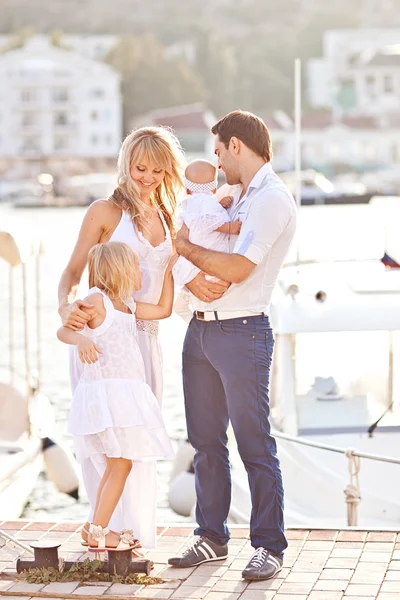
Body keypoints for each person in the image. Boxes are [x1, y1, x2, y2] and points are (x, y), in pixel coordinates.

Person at [168, 110, 297, 582]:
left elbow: (240, 268)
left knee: (254, 444)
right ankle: (212, 538)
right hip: (200, 332)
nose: (217, 162)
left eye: (219, 151)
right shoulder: (236, 195)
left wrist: (184, 249)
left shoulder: (272, 199)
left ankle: (268, 546)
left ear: (237, 145)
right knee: (204, 442)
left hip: (243, 331)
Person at [57, 126, 191, 550]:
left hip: (146, 339)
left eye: (157, 169)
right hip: (104, 340)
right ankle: (102, 531)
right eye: (140, 168)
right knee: (106, 441)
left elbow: (170, 280)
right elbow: (72, 273)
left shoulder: (170, 214)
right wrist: (65, 307)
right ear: (126, 165)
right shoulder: (104, 212)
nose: (148, 177)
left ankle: (130, 532)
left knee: (136, 442)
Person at [57, 242, 175, 551]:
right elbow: (64, 332)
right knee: (120, 465)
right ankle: (98, 532)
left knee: (116, 465)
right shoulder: (96, 301)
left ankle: (92, 527)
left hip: (124, 395)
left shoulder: (129, 306)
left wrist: (170, 270)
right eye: (136, 266)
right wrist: (81, 339)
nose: (140, 273)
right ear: (122, 269)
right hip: (107, 395)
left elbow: (164, 310)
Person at [173, 159, 241, 323]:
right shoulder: (209, 202)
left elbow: (202, 219)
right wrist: (230, 227)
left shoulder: (188, 203)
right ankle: (196, 323)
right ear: (214, 187)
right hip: (207, 258)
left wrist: (219, 205)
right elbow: (208, 222)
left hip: (192, 261)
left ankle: (192, 322)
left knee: (181, 304)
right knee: (211, 293)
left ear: (187, 189)